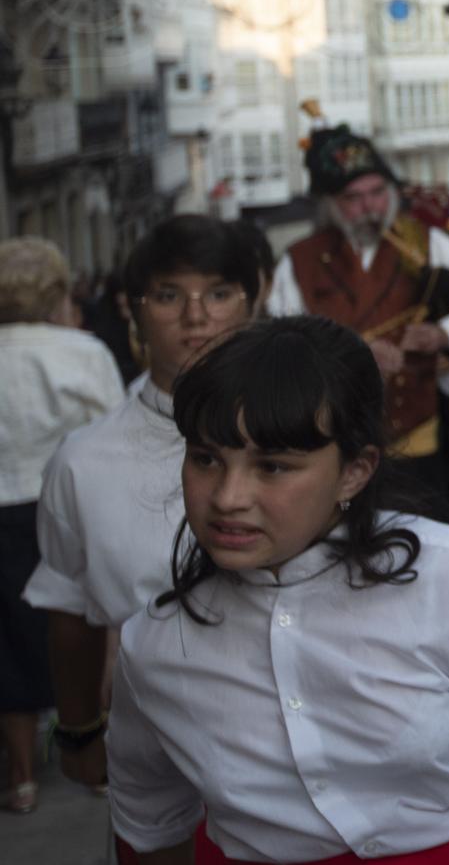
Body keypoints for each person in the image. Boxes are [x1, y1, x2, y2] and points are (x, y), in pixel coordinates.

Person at [105, 315, 449, 863]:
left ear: (354, 471)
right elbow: (147, 821)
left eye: (272, 466)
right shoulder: (155, 643)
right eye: (205, 459)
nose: (227, 496)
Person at [25, 215, 259, 799]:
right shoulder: (84, 462)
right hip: (159, 752)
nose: (196, 317)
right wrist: (79, 732)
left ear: (252, 304)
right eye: (169, 295)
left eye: (219, 294)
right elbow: (69, 608)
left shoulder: (313, 438)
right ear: (135, 310)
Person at [267, 122, 449, 493]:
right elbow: (283, 344)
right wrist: (355, 354)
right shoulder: (301, 260)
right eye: (354, 197)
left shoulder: (422, 242)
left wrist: (446, 333)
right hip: (336, 444)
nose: (370, 207)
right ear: (332, 205)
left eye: (378, 192)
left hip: (417, 439)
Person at [0, 237, 125, 814]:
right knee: (86, 622)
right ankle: (99, 759)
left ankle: (21, 777)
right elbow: (112, 429)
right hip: (64, 505)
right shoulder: (80, 351)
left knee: (5, 639)